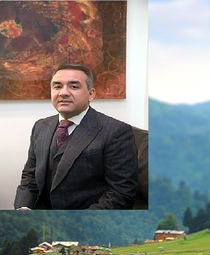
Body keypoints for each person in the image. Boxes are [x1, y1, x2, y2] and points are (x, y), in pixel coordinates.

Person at [14, 63, 137, 209]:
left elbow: (121, 193)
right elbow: (29, 177)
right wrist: (23, 208)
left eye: (74, 86)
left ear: (91, 94)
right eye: (57, 86)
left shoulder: (116, 131)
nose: (63, 93)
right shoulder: (40, 126)